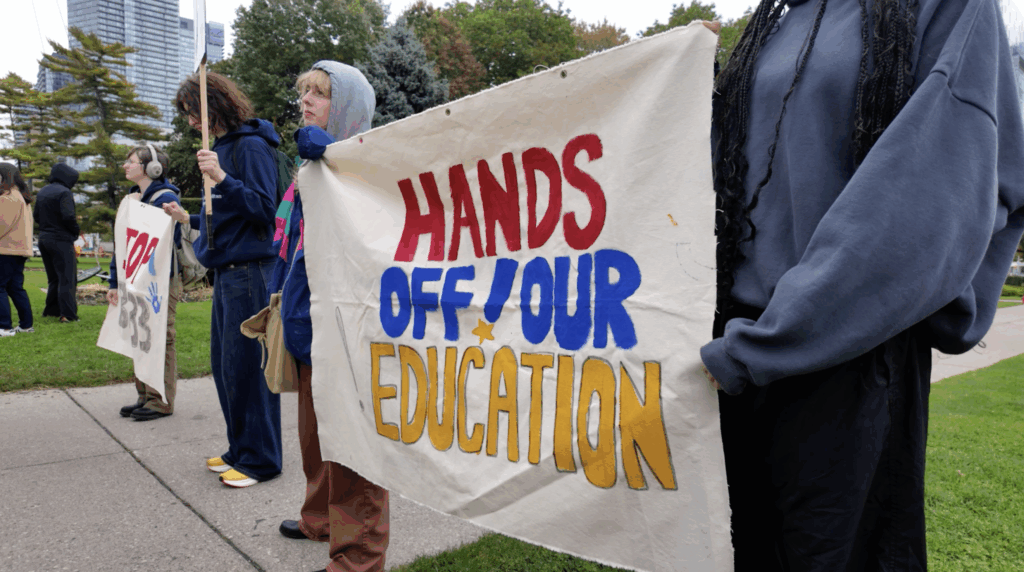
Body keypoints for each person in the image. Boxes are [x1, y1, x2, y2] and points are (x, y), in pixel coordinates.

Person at [700, 1, 1024, 570]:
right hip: (724, 352)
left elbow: (930, 192)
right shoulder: (777, 20)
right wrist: (688, 79)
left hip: (842, 354)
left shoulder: (947, 8)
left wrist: (766, 343)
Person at [271, 62, 389, 572]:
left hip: (349, 328)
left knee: (353, 449)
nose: (306, 101)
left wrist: (340, 161)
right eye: (304, 93)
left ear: (345, 108)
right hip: (309, 322)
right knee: (315, 435)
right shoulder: (311, 169)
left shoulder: (370, 165)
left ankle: (358, 557)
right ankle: (318, 518)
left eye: (319, 94)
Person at [163, 71, 283, 488]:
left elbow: (265, 211)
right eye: (187, 115)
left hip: (251, 272)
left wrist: (222, 179)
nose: (192, 123)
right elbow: (228, 218)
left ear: (215, 105)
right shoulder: (225, 148)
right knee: (227, 366)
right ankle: (241, 448)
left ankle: (261, 460)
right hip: (230, 271)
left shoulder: (251, 146)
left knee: (249, 369)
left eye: (194, 113)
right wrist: (188, 218)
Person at [108, 145, 183, 421]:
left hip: (159, 281)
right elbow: (122, 244)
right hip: (135, 277)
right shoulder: (131, 198)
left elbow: (168, 241)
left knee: (161, 336)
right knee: (138, 334)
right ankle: (145, 395)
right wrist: (115, 282)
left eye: (131, 161)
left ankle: (160, 399)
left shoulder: (165, 198)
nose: (126, 166)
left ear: (152, 168)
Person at [34, 163, 81, 322]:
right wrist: (75, 231)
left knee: (53, 277)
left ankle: (51, 310)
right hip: (61, 239)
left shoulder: (42, 191)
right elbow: (68, 217)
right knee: (67, 278)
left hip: (44, 239)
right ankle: (67, 315)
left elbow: (36, 216)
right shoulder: (65, 192)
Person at [0, 163, 34, 337]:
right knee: (15, 288)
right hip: (19, 249)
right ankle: (26, 326)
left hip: (6, 249)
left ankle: (4, 327)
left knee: (1, 287)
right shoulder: (22, 197)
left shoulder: (7, 196)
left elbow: (2, 224)